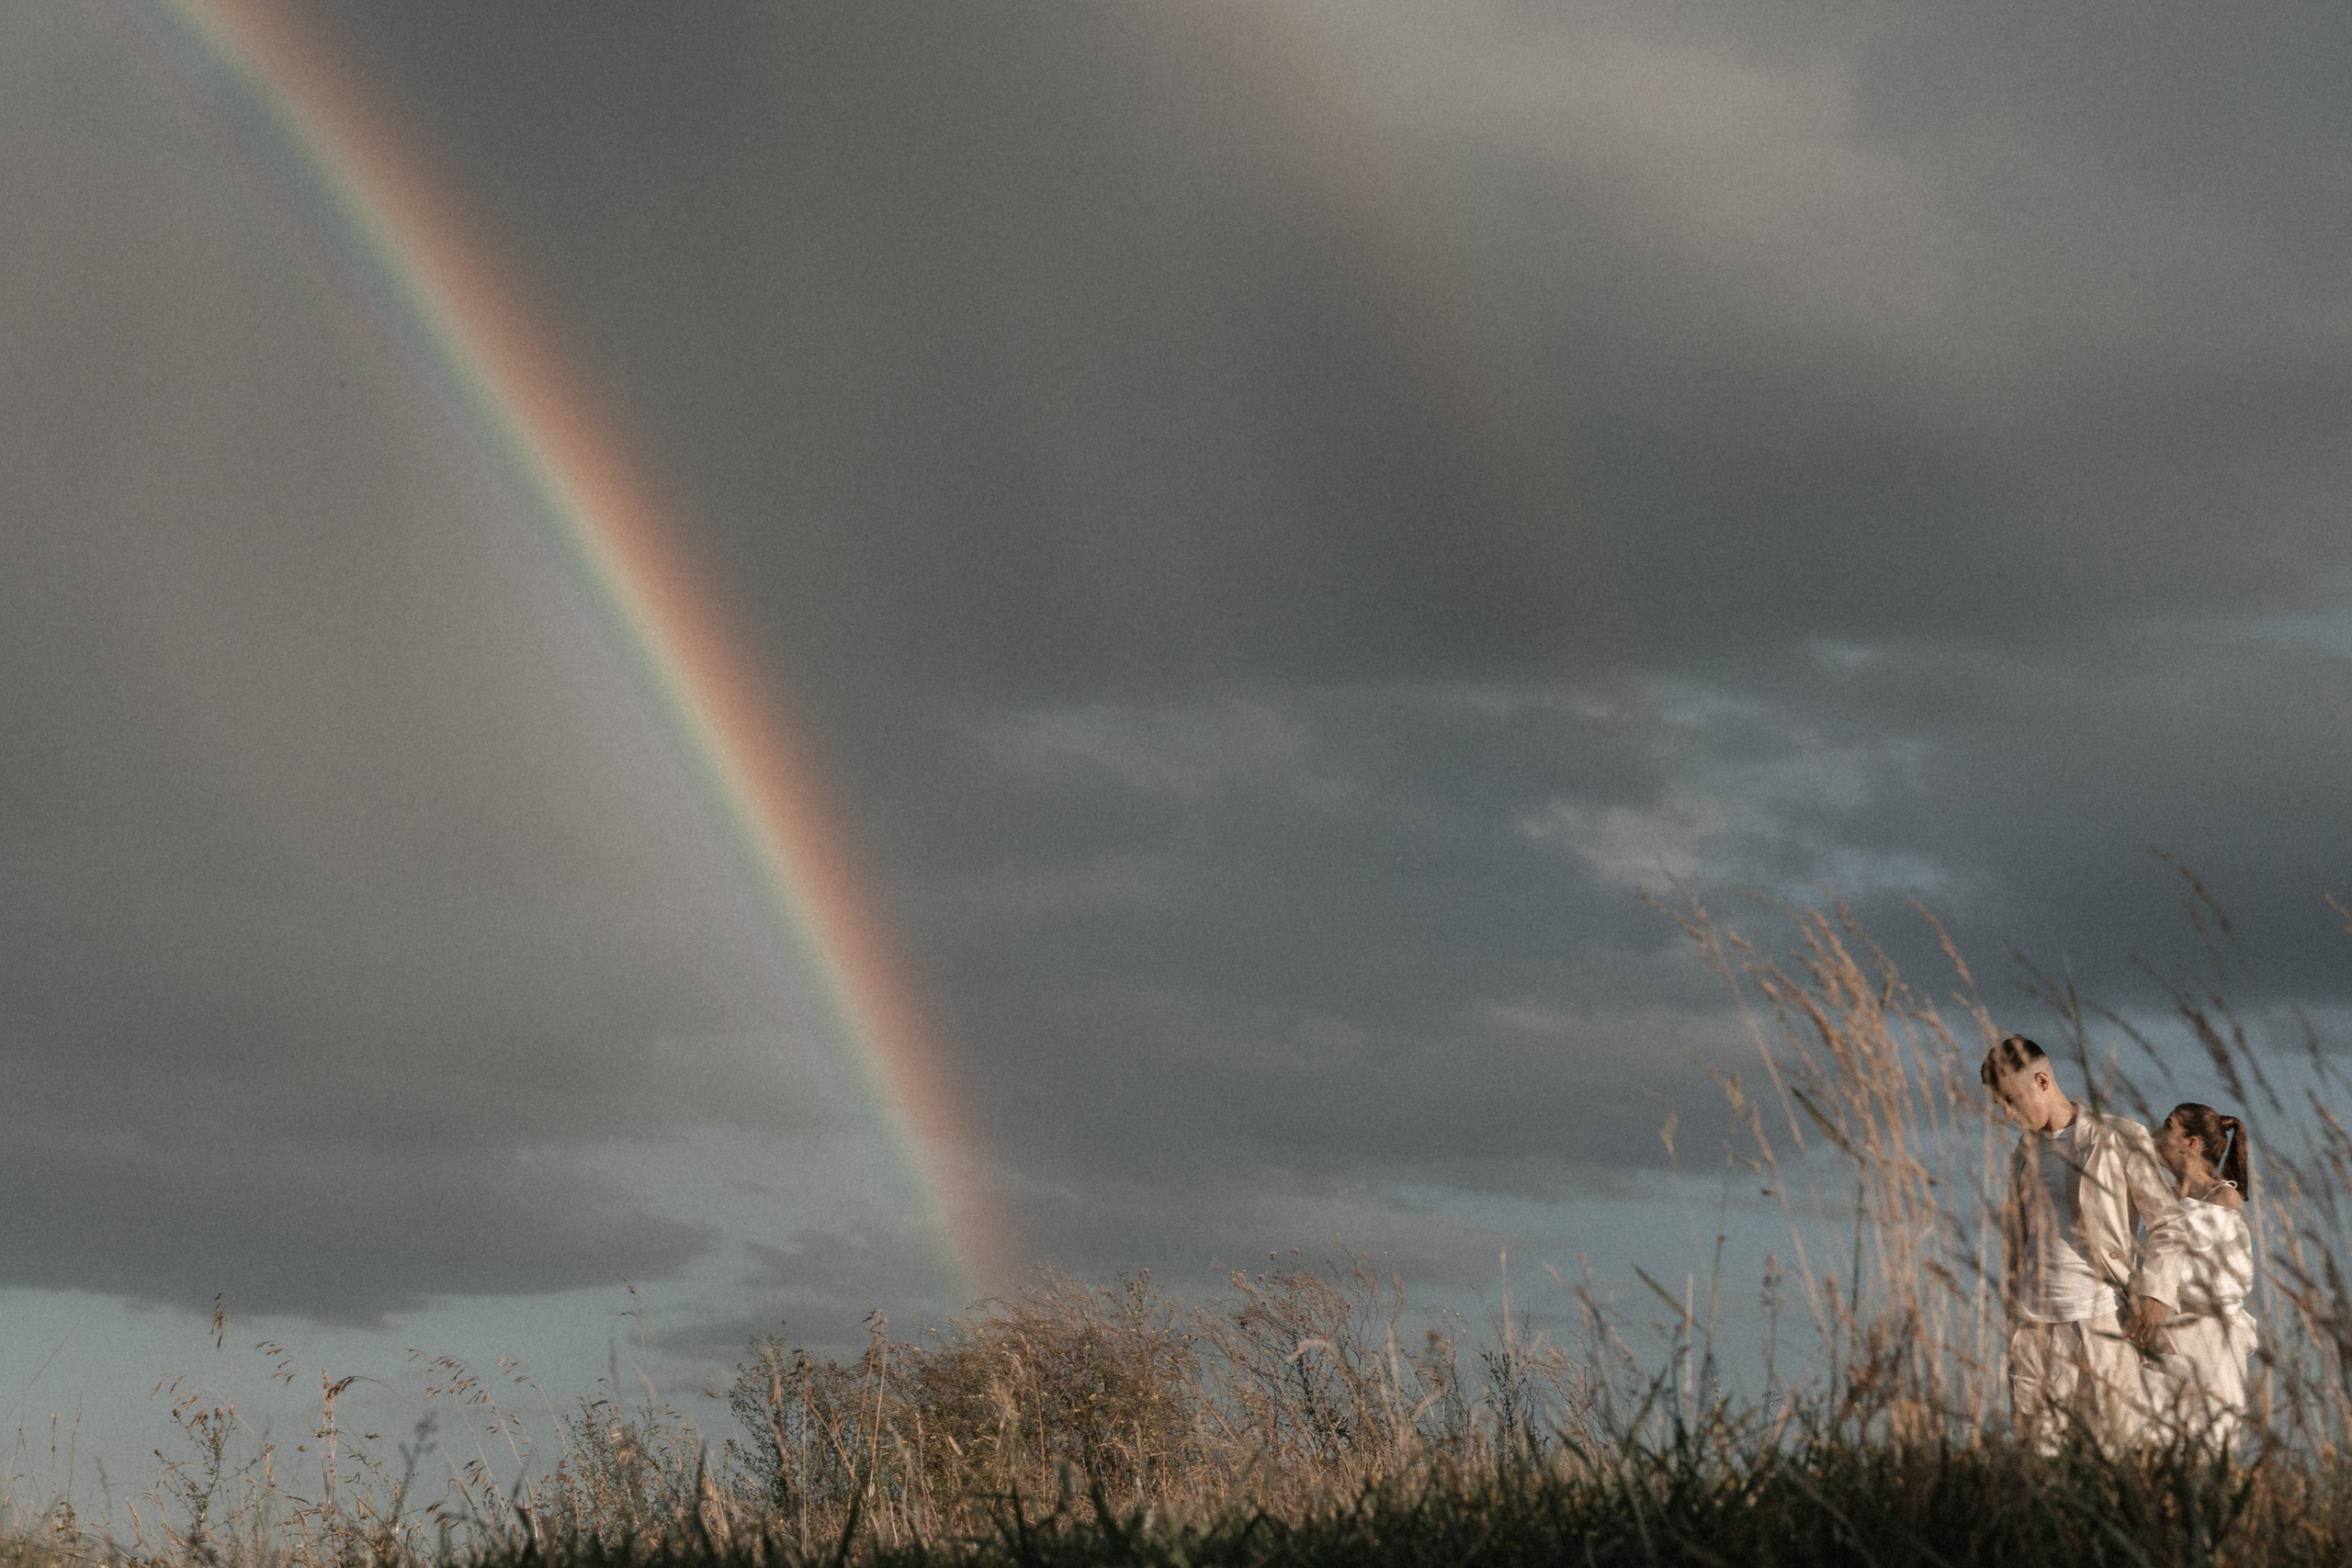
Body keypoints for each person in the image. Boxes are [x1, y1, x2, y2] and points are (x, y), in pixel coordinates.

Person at [1982, 1034, 2189, 1449]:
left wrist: (2157, 1296)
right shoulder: (2021, 1157)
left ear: (2042, 1081)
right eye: (1998, 1104)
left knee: (2113, 1456)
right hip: (2033, 1328)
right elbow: (2015, 1244)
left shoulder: (2118, 1137)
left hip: (2104, 1321)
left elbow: (2168, 1223)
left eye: (2011, 1099)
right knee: (2036, 1468)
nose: (2006, 1113)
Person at [2142, 1101, 2257, 1447]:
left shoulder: (2222, 1197)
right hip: (2159, 1335)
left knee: (2205, 1445)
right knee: (2152, 1444)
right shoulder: (2156, 1193)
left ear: (2191, 1142)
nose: (2156, 1133)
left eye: (2168, 1125)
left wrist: (2158, 1286)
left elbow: (2228, 1281)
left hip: (2208, 1341)